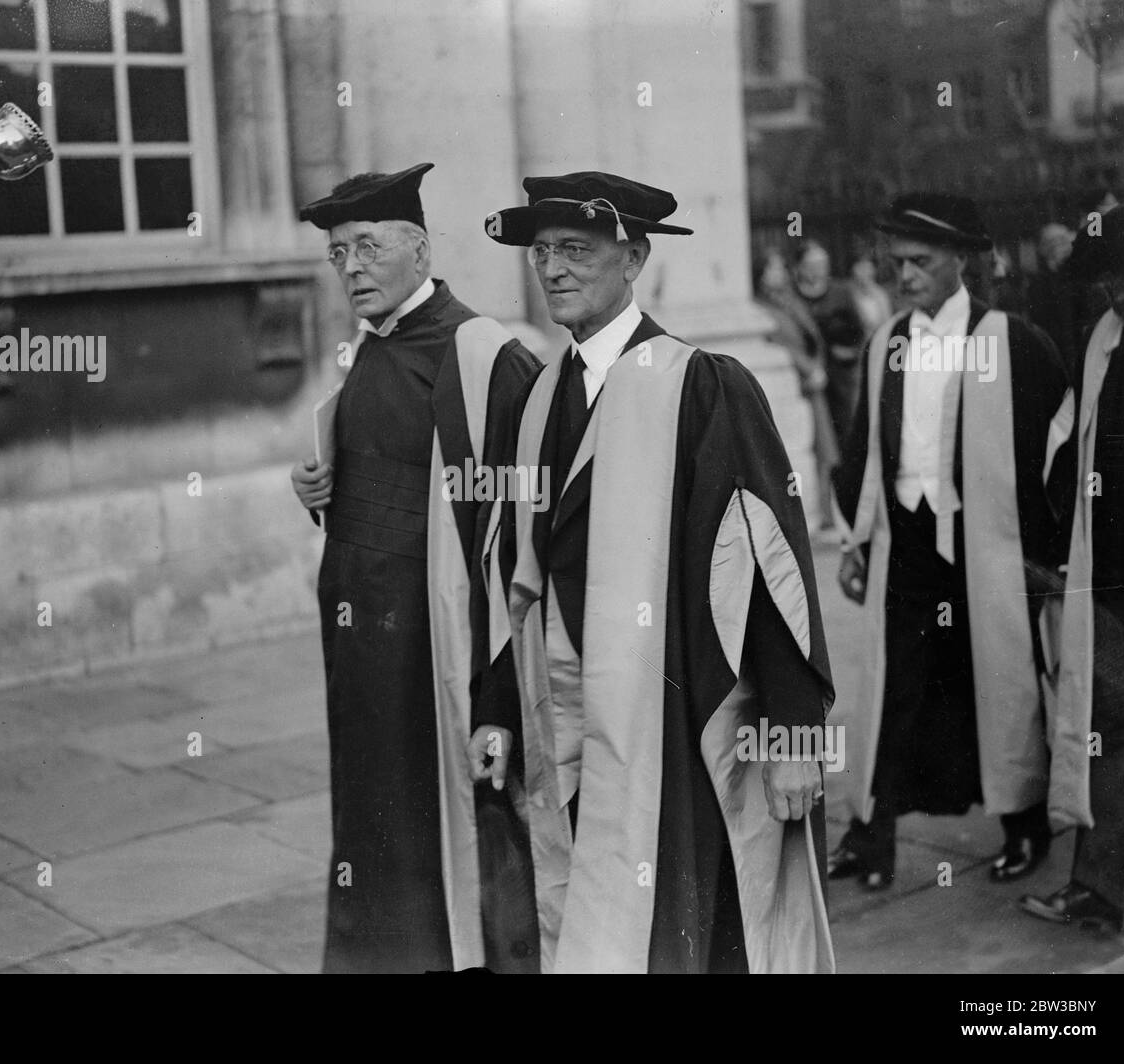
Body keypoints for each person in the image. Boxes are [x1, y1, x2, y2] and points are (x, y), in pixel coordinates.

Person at [468, 172, 835, 973]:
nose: (554, 269)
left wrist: (795, 736)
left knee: (694, 926)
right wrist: (494, 707)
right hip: (571, 715)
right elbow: (511, 576)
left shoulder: (703, 385)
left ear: (633, 257)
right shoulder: (536, 400)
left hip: (680, 711)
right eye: (541, 252)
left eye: (576, 249)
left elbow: (772, 570)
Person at [290, 162, 540, 972]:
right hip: (363, 635)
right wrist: (317, 489)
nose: (350, 267)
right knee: (373, 811)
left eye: (366, 246)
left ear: (420, 247)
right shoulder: (371, 347)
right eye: (337, 254)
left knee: (462, 813)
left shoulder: (482, 353)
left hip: (441, 642)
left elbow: (518, 525)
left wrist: (497, 682)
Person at [830, 193, 1068, 890]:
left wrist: (1045, 549)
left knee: (999, 685)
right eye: (896, 263)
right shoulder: (887, 344)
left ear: (961, 260)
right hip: (906, 539)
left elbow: (1058, 445)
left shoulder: (1012, 340)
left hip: (984, 543)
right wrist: (856, 539)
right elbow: (863, 448)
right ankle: (872, 839)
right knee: (892, 686)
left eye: (920, 262)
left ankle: (1025, 828)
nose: (903, 277)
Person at [1021, 201, 1124, 934]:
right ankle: (1097, 891)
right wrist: (1053, 547)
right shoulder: (1104, 340)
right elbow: (1072, 449)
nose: (1120, 294)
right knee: (1110, 720)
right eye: (1111, 282)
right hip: (1118, 574)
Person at [756, 249, 839, 528]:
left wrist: (817, 366)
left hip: (812, 382)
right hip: (796, 383)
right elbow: (781, 344)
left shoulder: (790, 302)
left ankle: (825, 513)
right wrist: (809, 368)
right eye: (773, 268)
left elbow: (811, 338)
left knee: (825, 450)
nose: (779, 273)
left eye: (780, 267)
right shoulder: (760, 309)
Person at [795, 241, 867, 447]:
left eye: (823, 264)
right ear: (800, 267)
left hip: (841, 370)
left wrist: (851, 351)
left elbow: (859, 329)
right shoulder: (795, 297)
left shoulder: (841, 291)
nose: (820, 269)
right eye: (813, 264)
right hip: (813, 370)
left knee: (845, 423)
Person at [1026, 222, 1109, 379]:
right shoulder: (1039, 284)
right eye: (1053, 242)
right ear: (1044, 249)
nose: (1060, 246)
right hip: (1058, 355)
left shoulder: (1082, 277)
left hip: (1086, 351)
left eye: (1063, 241)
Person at [850, 252, 893, 341]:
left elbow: (887, 324)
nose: (864, 272)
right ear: (853, 270)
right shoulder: (849, 294)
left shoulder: (881, 294)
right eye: (861, 268)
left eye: (868, 268)